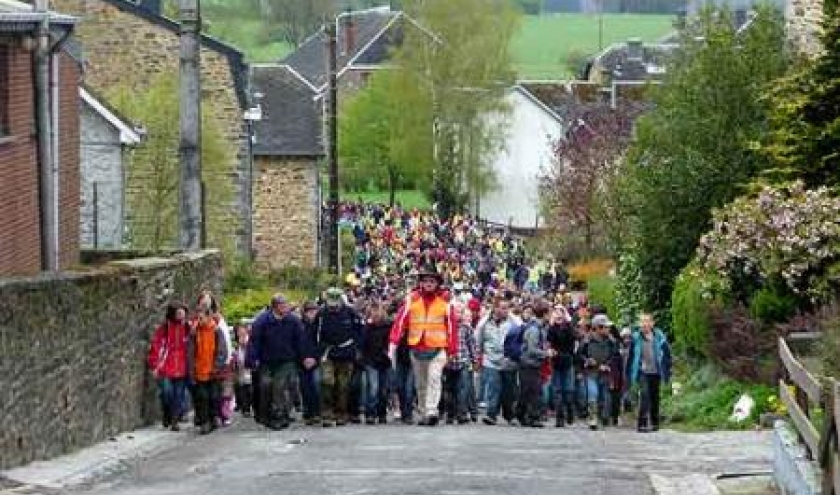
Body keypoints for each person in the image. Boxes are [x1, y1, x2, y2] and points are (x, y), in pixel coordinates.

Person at [388, 266, 458, 426]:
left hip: (438, 348)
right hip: (416, 349)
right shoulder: (411, 300)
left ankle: (432, 410)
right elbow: (400, 322)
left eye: (432, 281)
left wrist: (452, 349)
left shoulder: (445, 303)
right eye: (425, 280)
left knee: (434, 378)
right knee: (420, 383)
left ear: (437, 284)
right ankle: (424, 411)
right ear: (421, 283)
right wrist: (393, 342)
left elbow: (452, 326)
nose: (428, 283)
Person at [247, 293, 317, 430]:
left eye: (286, 304)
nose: (286, 307)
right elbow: (254, 342)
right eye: (283, 305)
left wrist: (306, 357)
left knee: (279, 387)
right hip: (266, 360)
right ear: (275, 307)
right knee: (265, 385)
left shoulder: (293, 321)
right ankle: (265, 414)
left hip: (286, 360)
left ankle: (280, 416)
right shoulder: (262, 321)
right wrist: (252, 359)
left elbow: (300, 341)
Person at [316, 287, 364, 427]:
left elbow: (360, 332)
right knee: (327, 381)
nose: (333, 306)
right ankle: (326, 413)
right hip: (328, 352)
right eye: (331, 302)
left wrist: (356, 348)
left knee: (343, 386)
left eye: (336, 302)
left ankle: (341, 413)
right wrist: (318, 351)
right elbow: (313, 334)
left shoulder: (350, 312)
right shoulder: (321, 314)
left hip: (346, 353)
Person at [148, 302, 190, 432]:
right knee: (166, 392)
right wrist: (154, 365)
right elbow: (157, 346)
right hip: (166, 366)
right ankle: (167, 413)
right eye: (178, 312)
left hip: (182, 366)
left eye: (183, 312)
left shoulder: (188, 328)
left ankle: (174, 420)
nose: (181, 315)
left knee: (179, 395)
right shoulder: (165, 328)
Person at [187, 302, 229, 435]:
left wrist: (216, 366)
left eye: (201, 317)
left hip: (213, 371)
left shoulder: (216, 331)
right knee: (202, 397)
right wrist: (191, 369)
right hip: (199, 370)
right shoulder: (194, 333)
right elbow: (191, 352)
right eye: (198, 317)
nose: (199, 320)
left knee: (213, 397)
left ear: (208, 316)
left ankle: (213, 418)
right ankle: (205, 422)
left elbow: (222, 351)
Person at [477, 299, 519, 426]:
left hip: (507, 360)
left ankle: (510, 416)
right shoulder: (485, 324)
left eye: (507, 308)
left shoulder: (512, 323)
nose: (504, 310)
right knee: (493, 389)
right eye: (502, 308)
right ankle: (491, 415)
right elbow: (479, 339)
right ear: (495, 309)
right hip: (490, 360)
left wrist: (510, 314)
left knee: (508, 390)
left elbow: (520, 325)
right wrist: (481, 356)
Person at [629, 313, 672, 433]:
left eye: (647, 321)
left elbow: (667, 355)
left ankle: (654, 422)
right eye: (642, 322)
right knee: (645, 395)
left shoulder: (659, 337)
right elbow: (631, 356)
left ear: (652, 324)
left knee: (655, 397)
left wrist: (667, 370)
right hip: (643, 372)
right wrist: (631, 373)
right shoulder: (636, 338)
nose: (645, 324)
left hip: (656, 371)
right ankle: (641, 424)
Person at [518, 301, 555, 427]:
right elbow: (531, 349)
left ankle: (525, 415)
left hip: (533, 364)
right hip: (529, 364)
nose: (550, 315)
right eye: (549, 313)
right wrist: (546, 353)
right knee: (532, 392)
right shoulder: (534, 329)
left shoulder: (539, 327)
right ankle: (529, 416)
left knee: (532, 391)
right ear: (544, 314)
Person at [580, 314, 619, 430]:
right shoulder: (587, 340)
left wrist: (607, 365)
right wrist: (587, 360)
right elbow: (580, 355)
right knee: (593, 395)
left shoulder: (611, 341)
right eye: (606, 327)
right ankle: (592, 418)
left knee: (604, 396)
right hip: (591, 372)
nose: (608, 329)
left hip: (605, 373)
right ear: (598, 328)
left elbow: (615, 356)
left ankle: (604, 417)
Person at [442, 304, 477, 425]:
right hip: (448, 363)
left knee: (463, 389)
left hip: (463, 361)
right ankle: (450, 414)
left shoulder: (467, 328)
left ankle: (461, 414)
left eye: (461, 312)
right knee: (449, 390)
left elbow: (472, 345)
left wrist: (474, 360)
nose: (458, 315)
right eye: (456, 312)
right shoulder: (446, 327)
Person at [361, 302, 392, 424]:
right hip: (371, 361)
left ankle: (382, 413)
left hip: (384, 361)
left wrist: (387, 352)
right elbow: (363, 344)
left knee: (383, 390)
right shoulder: (367, 328)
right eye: (373, 313)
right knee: (373, 388)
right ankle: (370, 413)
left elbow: (391, 343)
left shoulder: (388, 326)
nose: (375, 315)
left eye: (377, 312)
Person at [547, 305, 576, 427]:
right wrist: (553, 325)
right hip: (557, 361)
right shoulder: (553, 329)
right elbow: (549, 342)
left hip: (566, 361)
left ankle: (568, 411)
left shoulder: (569, 329)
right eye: (556, 313)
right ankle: (561, 417)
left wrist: (563, 323)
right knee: (558, 390)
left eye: (561, 313)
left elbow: (571, 342)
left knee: (567, 390)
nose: (558, 316)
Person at [300, 301, 322, 425]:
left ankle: (316, 412)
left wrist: (315, 358)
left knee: (316, 384)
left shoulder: (319, 326)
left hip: (316, 360)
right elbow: (297, 344)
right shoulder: (299, 325)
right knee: (305, 388)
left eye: (314, 311)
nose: (312, 314)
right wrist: (303, 358)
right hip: (302, 361)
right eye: (310, 311)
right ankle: (308, 412)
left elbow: (322, 343)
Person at [232, 323, 253, 418]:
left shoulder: (251, 340)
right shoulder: (236, 343)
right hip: (241, 369)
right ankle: (246, 409)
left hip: (250, 368)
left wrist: (245, 345)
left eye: (242, 330)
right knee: (243, 390)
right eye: (238, 331)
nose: (240, 332)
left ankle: (253, 407)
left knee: (251, 390)